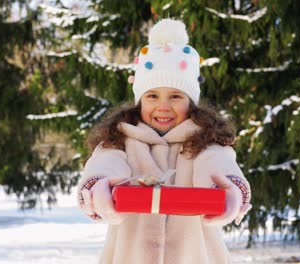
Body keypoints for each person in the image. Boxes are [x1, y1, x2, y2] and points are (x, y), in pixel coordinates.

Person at [77, 18, 251, 264]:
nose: (163, 106)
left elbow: (219, 164)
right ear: (140, 100)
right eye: (153, 95)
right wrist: (97, 186)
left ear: (191, 102)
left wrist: (231, 190)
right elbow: (105, 165)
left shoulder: (204, 142)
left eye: (175, 96)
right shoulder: (119, 140)